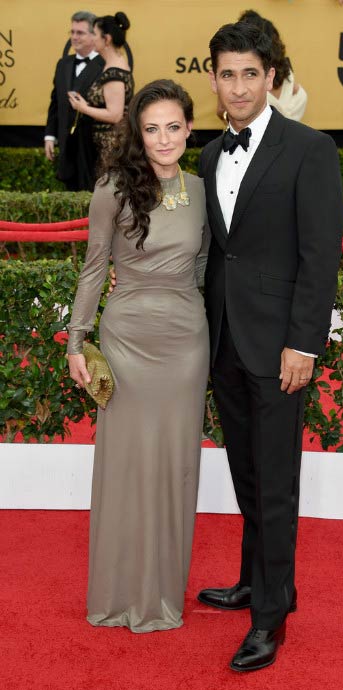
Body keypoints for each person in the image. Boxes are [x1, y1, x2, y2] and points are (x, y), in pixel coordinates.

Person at [196, 22, 343, 672]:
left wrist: (303, 344)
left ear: (272, 79)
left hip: (279, 348)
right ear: (213, 79)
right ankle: (255, 582)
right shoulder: (206, 154)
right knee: (247, 475)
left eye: (249, 74)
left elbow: (320, 256)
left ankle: (270, 619)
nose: (237, 86)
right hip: (225, 341)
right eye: (226, 74)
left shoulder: (308, 149)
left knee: (276, 485)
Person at [67, 79, 210, 633]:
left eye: (174, 127)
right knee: (125, 464)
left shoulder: (200, 190)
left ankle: (161, 594)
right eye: (151, 129)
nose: (163, 138)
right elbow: (94, 266)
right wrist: (78, 341)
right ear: (137, 132)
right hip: (127, 341)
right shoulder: (111, 188)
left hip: (185, 343)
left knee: (175, 466)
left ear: (190, 128)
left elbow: (201, 270)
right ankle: (118, 592)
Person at [68, 12, 134, 188]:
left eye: (95, 34)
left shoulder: (114, 72)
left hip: (109, 148)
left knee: (108, 193)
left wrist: (82, 107)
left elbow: (115, 114)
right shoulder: (113, 65)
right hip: (104, 146)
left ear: (107, 39)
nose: (92, 39)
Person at [44, 11, 105, 191]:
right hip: (67, 149)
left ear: (94, 35)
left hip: (94, 150)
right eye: (72, 32)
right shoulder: (63, 64)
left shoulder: (106, 65)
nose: (74, 37)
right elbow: (56, 102)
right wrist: (50, 135)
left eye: (80, 33)